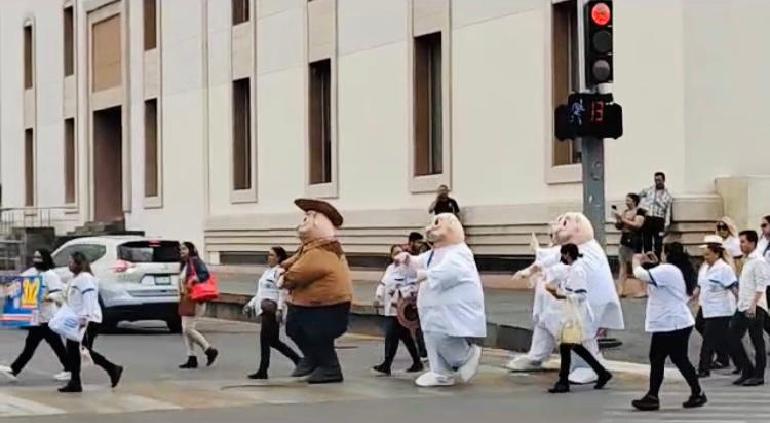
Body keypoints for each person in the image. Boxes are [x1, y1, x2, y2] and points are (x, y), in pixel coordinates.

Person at [396, 213, 486, 387]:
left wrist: (426, 274)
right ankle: (440, 373)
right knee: (431, 337)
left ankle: (466, 356)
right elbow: (418, 263)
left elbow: (451, 272)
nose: (431, 228)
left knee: (442, 336)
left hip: (450, 307)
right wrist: (407, 260)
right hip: (431, 307)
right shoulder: (433, 254)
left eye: (437, 223)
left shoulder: (460, 252)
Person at [281, 199, 353, 384]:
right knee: (294, 329)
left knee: (318, 335)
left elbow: (300, 273)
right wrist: (284, 266)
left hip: (326, 304)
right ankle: (312, 358)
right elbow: (294, 261)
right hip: (308, 303)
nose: (304, 221)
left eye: (310, 218)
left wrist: (284, 277)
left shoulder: (323, 251)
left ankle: (330, 368)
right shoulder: (310, 248)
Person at [630, 243, 706, 411]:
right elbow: (659, 277)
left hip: (669, 323)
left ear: (667, 254)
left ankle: (653, 396)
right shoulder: (679, 270)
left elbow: (640, 274)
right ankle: (697, 392)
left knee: (658, 358)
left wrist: (636, 260)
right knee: (678, 358)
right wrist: (656, 264)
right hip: (676, 322)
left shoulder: (669, 270)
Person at [547, 244, 612, 394]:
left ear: (567, 254)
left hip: (574, 314)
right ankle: (601, 372)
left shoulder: (577, 271)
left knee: (566, 346)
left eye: (563, 255)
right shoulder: (574, 269)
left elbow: (581, 294)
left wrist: (562, 295)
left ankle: (563, 381)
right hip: (571, 312)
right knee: (574, 345)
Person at [0, 249, 70, 382]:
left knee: (53, 346)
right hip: (36, 317)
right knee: (34, 346)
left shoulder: (50, 276)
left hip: (48, 318)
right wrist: (9, 291)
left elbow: (58, 294)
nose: (36, 260)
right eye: (35, 257)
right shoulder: (32, 273)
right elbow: (18, 285)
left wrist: (45, 298)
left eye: (39, 257)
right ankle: (15, 369)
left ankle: (70, 369)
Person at [58, 252, 123, 393]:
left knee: (83, 350)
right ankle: (75, 381)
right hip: (76, 320)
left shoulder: (85, 278)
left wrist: (85, 317)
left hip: (88, 320)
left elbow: (89, 297)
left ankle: (112, 368)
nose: (69, 265)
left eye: (71, 262)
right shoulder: (75, 279)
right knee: (74, 351)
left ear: (79, 263)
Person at [243, 246, 301, 380]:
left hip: (272, 310)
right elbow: (260, 293)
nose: (268, 258)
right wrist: (250, 304)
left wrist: (279, 309)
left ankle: (263, 370)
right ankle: (298, 360)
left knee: (265, 340)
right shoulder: (266, 272)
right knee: (273, 341)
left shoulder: (280, 272)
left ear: (279, 258)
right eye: (268, 255)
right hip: (264, 308)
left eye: (271, 255)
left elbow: (282, 292)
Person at [371, 245, 423, 376]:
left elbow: (414, 285)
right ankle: (417, 362)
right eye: (395, 253)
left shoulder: (409, 269)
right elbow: (383, 283)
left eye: (400, 252)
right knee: (405, 336)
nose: (398, 256)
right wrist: (378, 297)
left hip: (401, 307)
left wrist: (402, 292)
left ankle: (386, 365)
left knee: (391, 335)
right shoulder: (390, 268)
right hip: (390, 307)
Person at [728, 230, 770, 386]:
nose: (741, 245)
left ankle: (758, 375)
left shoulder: (758, 260)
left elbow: (761, 285)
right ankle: (747, 369)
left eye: (743, 242)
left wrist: (753, 305)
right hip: (742, 305)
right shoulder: (747, 260)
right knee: (731, 337)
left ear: (752, 243)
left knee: (756, 340)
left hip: (755, 306)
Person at [694, 236, 738, 378]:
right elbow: (700, 285)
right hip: (705, 306)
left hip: (720, 309)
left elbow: (733, 288)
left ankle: (703, 368)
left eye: (708, 254)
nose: (705, 257)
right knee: (702, 327)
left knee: (708, 338)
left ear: (716, 253)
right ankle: (731, 359)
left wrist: (742, 305)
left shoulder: (724, 269)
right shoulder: (705, 267)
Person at [177, 242, 219, 369]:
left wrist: (195, 279)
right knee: (185, 329)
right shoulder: (184, 264)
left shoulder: (195, 261)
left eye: (184, 249)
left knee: (188, 328)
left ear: (191, 250)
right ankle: (191, 357)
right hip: (186, 298)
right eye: (180, 249)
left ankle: (209, 349)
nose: (181, 251)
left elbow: (204, 274)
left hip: (196, 299)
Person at [613, 193, 646, 297]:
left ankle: (643, 289)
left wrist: (623, 220)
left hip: (635, 239)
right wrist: (618, 221)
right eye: (626, 200)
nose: (626, 202)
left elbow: (638, 224)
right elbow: (619, 226)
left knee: (636, 265)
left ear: (634, 201)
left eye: (628, 200)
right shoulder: (625, 212)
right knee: (622, 265)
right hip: (624, 238)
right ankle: (620, 290)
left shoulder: (640, 211)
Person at [638, 172, 673, 258]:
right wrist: (642, 207)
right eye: (656, 180)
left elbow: (668, 212)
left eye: (659, 180)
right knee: (646, 241)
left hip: (659, 220)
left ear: (664, 180)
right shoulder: (648, 190)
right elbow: (638, 196)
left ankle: (657, 259)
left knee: (658, 242)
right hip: (648, 218)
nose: (657, 182)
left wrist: (666, 225)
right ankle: (647, 259)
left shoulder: (667, 195)